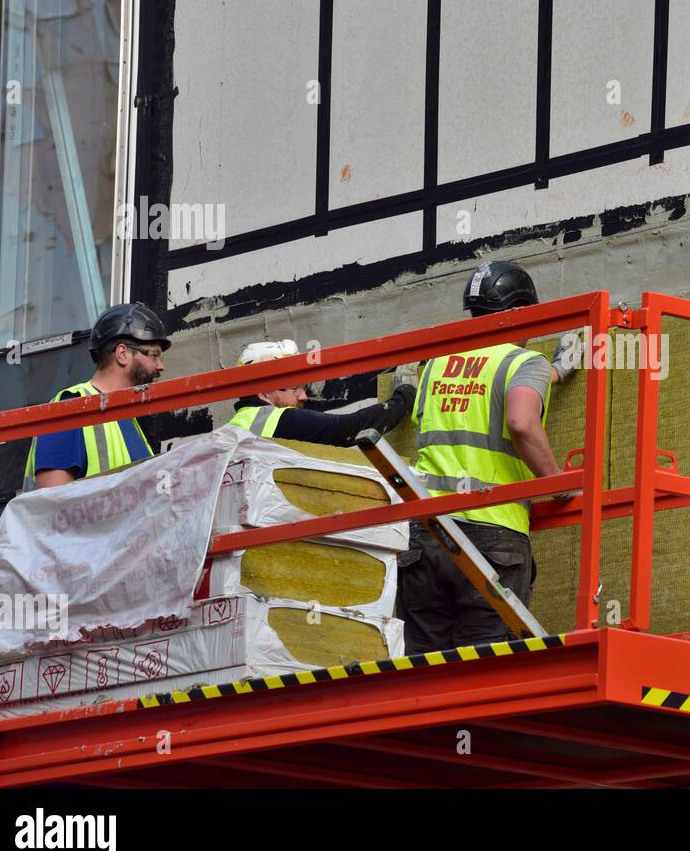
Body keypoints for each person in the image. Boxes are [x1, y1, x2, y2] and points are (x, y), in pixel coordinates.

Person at [399, 260, 582, 653]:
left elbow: (480, 389)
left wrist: (554, 371)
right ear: (518, 312)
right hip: (491, 535)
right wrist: (560, 486)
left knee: (423, 670)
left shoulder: (435, 367)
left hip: (425, 536)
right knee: (482, 669)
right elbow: (520, 420)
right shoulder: (521, 362)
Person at [22, 303, 171, 491]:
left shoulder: (131, 425)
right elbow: (51, 507)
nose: (160, 366)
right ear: (123, 354)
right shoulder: (71, 409)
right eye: (154, 355)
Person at [227, 339, 418, 445]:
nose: (303, 396)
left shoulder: (233, 428)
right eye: (294, 388)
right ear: (263, 394)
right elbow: (351, 428)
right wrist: (405, 396)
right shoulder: (280, 420)